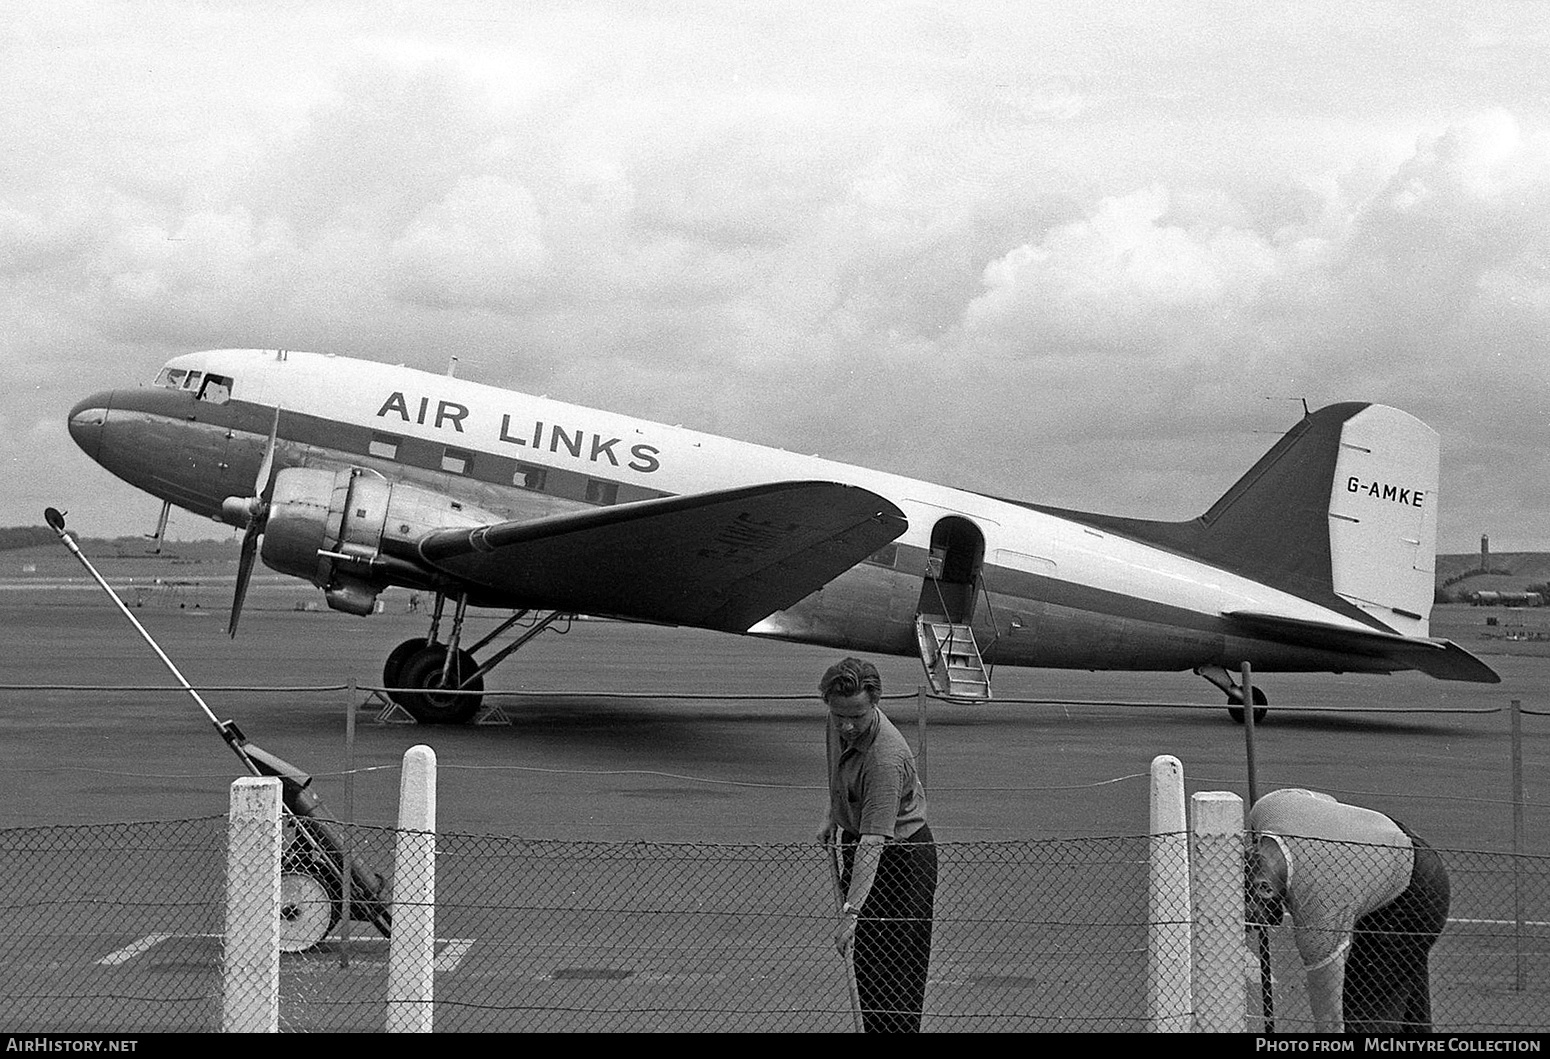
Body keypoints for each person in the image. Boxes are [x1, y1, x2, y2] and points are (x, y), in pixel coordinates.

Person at [1245, 788, 1451, 1034]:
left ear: (1265, 888)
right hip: (1390, 839)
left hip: (1413, 894)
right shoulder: (1269, 808)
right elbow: (1328, 804)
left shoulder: (1318, 911)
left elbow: (1330, 1022)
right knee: (1406, 1005)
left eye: (1250, 916)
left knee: (1361, 1014)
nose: (1252, 927)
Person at [815, 657, 936, 1033]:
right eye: (840, 717)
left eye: (857, 717)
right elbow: (842, 776)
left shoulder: (886, 757)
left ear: (875, 704)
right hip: (862, 843)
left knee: (896, 973)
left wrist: (851, 913)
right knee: (867, 967)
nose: (848, 727)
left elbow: (873, 844)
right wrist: (833, 815)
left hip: (901, 861)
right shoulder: (838, 720)